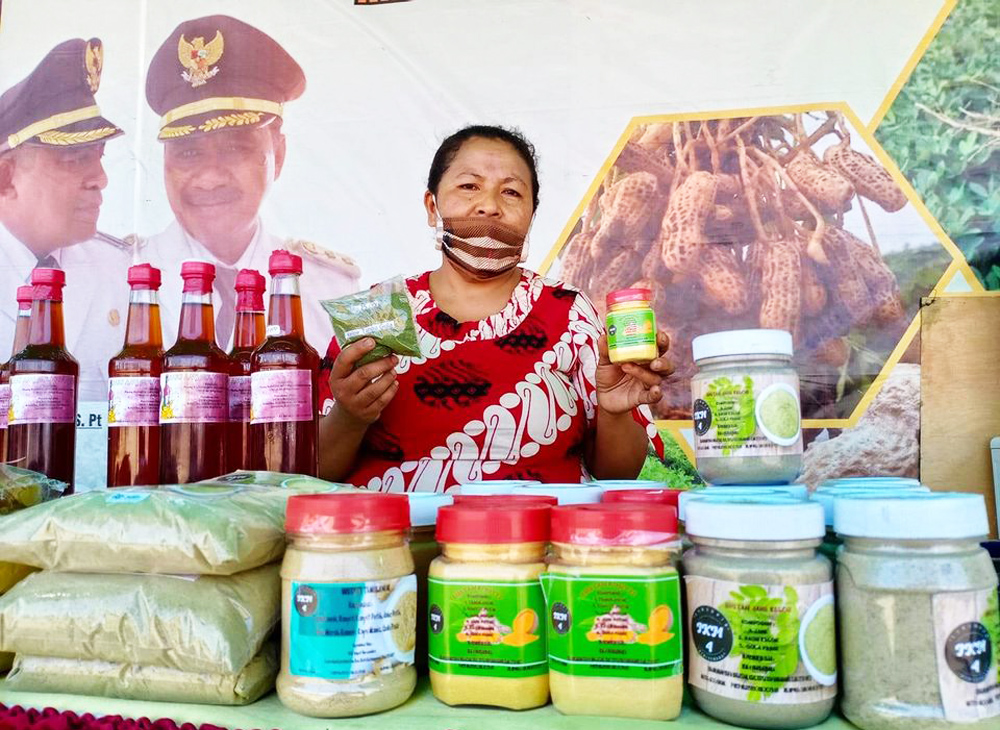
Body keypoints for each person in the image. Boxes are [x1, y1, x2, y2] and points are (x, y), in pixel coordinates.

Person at [318, 125, 673, 492]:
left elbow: (617, 473)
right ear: (431, 206)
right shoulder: (379, 311)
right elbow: (317, 471)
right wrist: (349, 417)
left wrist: (614, 412)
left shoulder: (568, 312)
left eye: (511, 192)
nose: (489, 205)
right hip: (392, 543)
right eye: (469, 186)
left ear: (531, 215)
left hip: (534, 542)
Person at [137, 15, 360, 352]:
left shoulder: (330, 290)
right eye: (188, 152)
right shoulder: (119, 277)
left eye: (234, 148)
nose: (210, 177)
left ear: (278, 155)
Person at [0, 37, 131, 403]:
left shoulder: (118, 270)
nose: (100, 178)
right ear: (6, 178)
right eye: (74, 159)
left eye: (98, 155)